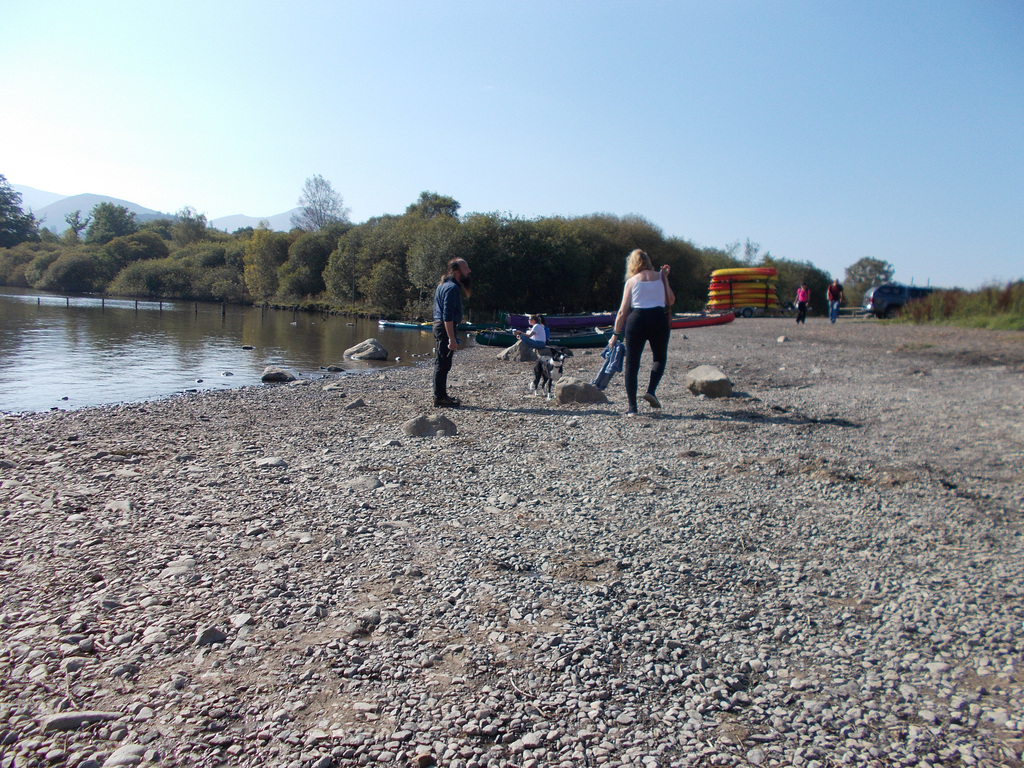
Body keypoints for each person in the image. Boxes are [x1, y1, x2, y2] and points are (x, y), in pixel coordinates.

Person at [609, 249, 674, 416]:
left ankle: (632, 408)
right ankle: (651, 390)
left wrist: (615, 334)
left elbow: (623, 311)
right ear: (648, 261)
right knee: (659, 358)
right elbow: (671, 301)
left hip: (637, 319)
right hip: (658, 318)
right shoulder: (660, 277)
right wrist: (665, 277)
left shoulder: (631, 281)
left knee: (632, 363)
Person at [432, 258, 471, 407]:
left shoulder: (443, 285)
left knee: (442, 362)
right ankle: (440, 397)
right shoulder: (452, 288)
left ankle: (441, 395)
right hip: (444, 327)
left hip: (440, 326)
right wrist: (451, 338)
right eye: (465, 268)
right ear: (457, 272)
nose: (469, 271)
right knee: (443, 364)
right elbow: (447, 316)